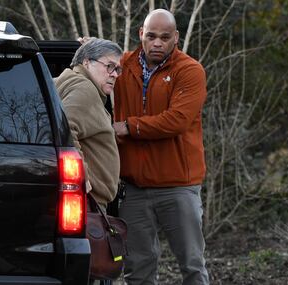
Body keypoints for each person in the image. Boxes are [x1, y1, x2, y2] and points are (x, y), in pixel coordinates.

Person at [112, 9, 209, 285]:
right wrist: (89, 52)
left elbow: (176, 121)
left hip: (178, 186)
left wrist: (129, 127)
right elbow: (92, 73)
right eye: (151, 36)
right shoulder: (122, 65)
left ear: (175, 38)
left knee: (192, 264)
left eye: (165, 37)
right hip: (133, 189)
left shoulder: (190, 71)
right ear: (141, 34)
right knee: (137, 270)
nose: (157, 43)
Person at [54, 38, 122, 211]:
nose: (114, 74)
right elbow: (64, 127)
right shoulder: (85, 89)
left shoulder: (69, 81)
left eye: (117, 69)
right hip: (87, 202)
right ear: (86, 62)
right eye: (109, 66)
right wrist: (80, 174)